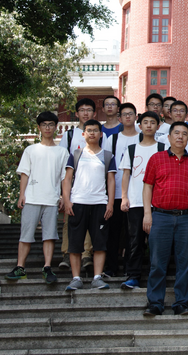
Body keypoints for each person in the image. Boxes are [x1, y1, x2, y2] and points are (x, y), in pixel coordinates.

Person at [142, 122, 188, 317]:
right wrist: (147, 213)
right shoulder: (156, 159)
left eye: (184, 134)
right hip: (161, 216)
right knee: (157, 262)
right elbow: (147, 187)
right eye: (176, 133)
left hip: (187, 218)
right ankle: (155, 303)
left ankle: (182, 303)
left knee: (185, 262)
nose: (180, 137)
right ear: (168, 137)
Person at [5, 111, 69, 284]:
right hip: (32, 198)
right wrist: (21, 195)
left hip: (51, 199)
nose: (47, 128)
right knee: (25, 234)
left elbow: (64, 177)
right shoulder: (30, 150)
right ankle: (20, 267)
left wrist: (64, 197)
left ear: (56, 127)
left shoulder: (62, 152)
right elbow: (24, 173)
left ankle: (47, 267)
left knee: (49, 235)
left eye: (51, 125)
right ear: (39, 128)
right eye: (44, 125)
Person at [62, 119, 116, 291]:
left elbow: (111, 181)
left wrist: (110, 204)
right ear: (83, 134)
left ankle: (97, 277)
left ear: (101, 134)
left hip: (99, 203)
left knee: (100, 243)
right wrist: (67, 200)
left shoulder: (108, 156)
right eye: (89, 130)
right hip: (77, 204)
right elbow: (67, 179)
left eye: (95, 130)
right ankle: (76, 278)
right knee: (75, 244)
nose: (92, 133)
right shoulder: (76, 155)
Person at [119, 111, 164, 289]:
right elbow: (126, 174)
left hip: (158, 204)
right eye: (145, 122)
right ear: (140, 125)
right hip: (136, 201)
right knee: (135, 240)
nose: (149, 125)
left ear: (158, 126)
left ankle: (156, 275)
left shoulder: (162, 148)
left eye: (153, 122)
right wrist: (124, 197)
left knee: (156, 241)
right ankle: (133, 276)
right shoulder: (132, 149)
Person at [58, 98, 101, 271]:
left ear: (94, 113)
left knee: (90, 223)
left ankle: (86, 256)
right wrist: (63, 195)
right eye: (82, 110)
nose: (85, 113)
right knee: (70, 221)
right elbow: (62, 165)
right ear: (76, 114)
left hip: (94, 187)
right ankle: (67, 254)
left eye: (89, 110)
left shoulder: (99, 134)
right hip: (74, 185)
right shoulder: (69, 135)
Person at [100, 102, 140, 278]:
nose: (128, 117)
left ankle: (130, 269)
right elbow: (106, 165)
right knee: (113, 232)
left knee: (134, 234)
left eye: (131, 114)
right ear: (120, 118)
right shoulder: (113, 139)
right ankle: (111, 268)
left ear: (136, 117)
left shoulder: (142, 138)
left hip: (138, 194)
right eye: (124, 114)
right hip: (116, 192)